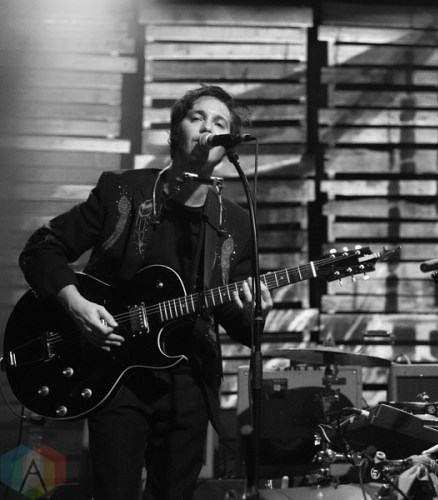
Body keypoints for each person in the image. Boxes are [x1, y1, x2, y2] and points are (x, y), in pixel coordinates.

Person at [18, 85, 273, 499]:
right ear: (175, 131)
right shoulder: (124, 192)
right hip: (117, 373)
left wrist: (255, 306)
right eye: (197, 118)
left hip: (188, 380)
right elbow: (41, 249)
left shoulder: (236, 223)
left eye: (219, 123)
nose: (208, 129)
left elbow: (241, 324)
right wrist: (76, 304)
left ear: (227, 148)